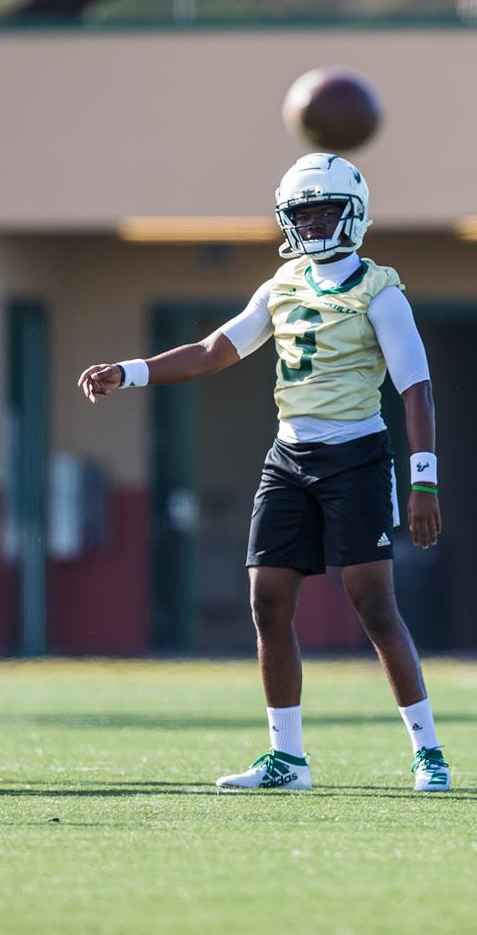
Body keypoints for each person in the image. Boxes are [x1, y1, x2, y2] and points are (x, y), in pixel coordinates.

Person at [78, 153, 450, 792]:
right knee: (267, 601)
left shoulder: (379, 290)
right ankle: (287, 758)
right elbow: (211, 351)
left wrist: (423, 480)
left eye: (325, 210)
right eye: (302, 214)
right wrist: (130, 370)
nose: (313, 224)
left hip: (357, 457)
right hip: (289, 457)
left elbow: (416, 387)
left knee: (373, 604)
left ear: (353, 214)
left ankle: (428, 752)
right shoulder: (280, 285)